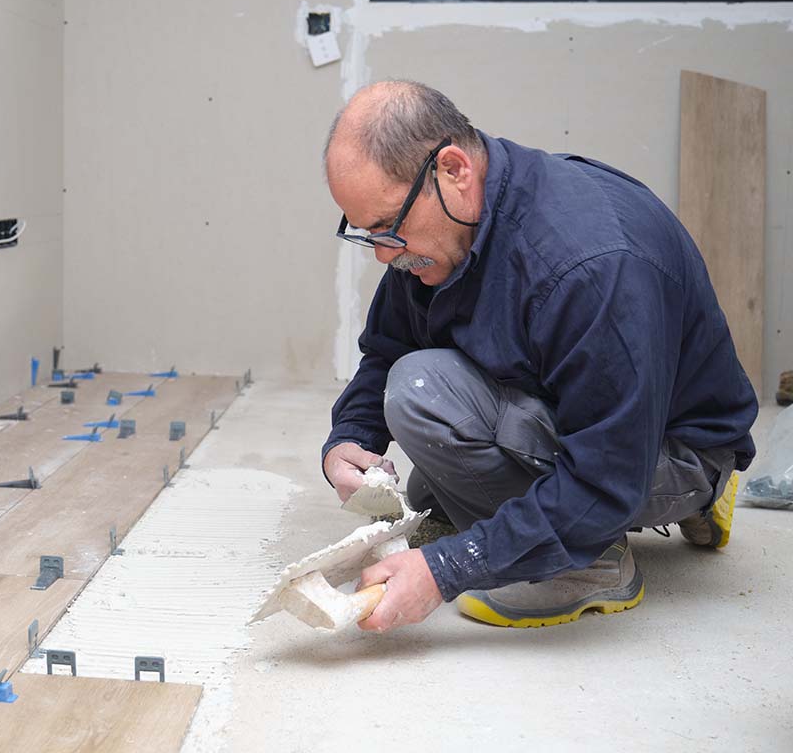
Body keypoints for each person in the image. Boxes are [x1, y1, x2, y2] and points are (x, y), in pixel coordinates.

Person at [321, 80, 758, 631]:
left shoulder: (589, 267)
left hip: (665, 450)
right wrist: (349, 438)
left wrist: (448, 569)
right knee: (428, 484)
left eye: (388, 227)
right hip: (594, 417)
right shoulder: (445, 230)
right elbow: (390, 344)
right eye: (366, 233)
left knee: (423, 398)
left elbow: (605, 477)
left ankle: (596, 560)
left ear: (453, 170)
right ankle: (562, 531)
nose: (384, 253)